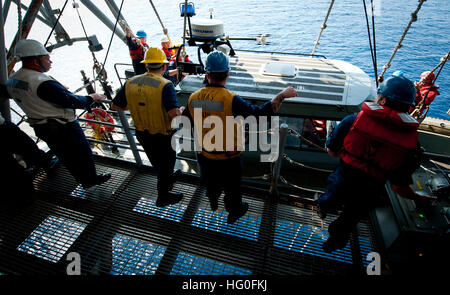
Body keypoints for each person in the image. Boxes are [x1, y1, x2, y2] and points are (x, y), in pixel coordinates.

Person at [316, 75, 437, 252]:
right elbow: (399, 187)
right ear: (409, 105)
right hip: (370, 191)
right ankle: (333, 244)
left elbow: (332, 151)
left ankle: (324, 207)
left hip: (342, 180)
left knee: (330, 197)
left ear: (383, 99)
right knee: (349, 219)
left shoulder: (353, 120)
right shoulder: (411, 143)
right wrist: (420, 198)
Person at [186, 51, 298, 224]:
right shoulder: (232, 100)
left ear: (207, 74)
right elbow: (260, 115)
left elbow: (186, 118)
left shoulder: (193, 98)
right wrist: (282, 95)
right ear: (228, 74)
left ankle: (213, 201)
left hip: (205, 155)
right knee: (232, 189)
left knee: (211, 183)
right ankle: (234, 211)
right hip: (228, 159)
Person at [4, 39, 111, 190]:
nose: (50, 61)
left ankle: (81, 179)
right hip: (63, 127)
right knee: (82, 153)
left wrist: (58, 90)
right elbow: (71, 101)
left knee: (65, 156)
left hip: (41, 126)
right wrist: (92, 97)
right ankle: (90, 179)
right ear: (35, 61)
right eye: (46, 58)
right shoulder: (41, 81)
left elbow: (24, 93)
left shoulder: (14, 79)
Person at [111, 47, 185, 207]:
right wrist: (182, 111)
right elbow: (174, 115)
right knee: (166, 164)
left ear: (146, 66)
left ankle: (168, 179)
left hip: (142, 133)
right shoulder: (165, 85)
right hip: (163, 136)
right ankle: (163, 197)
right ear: (164, 66)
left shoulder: (131, 82)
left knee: (158, 163)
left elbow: (115, 106)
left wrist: (136, 107)